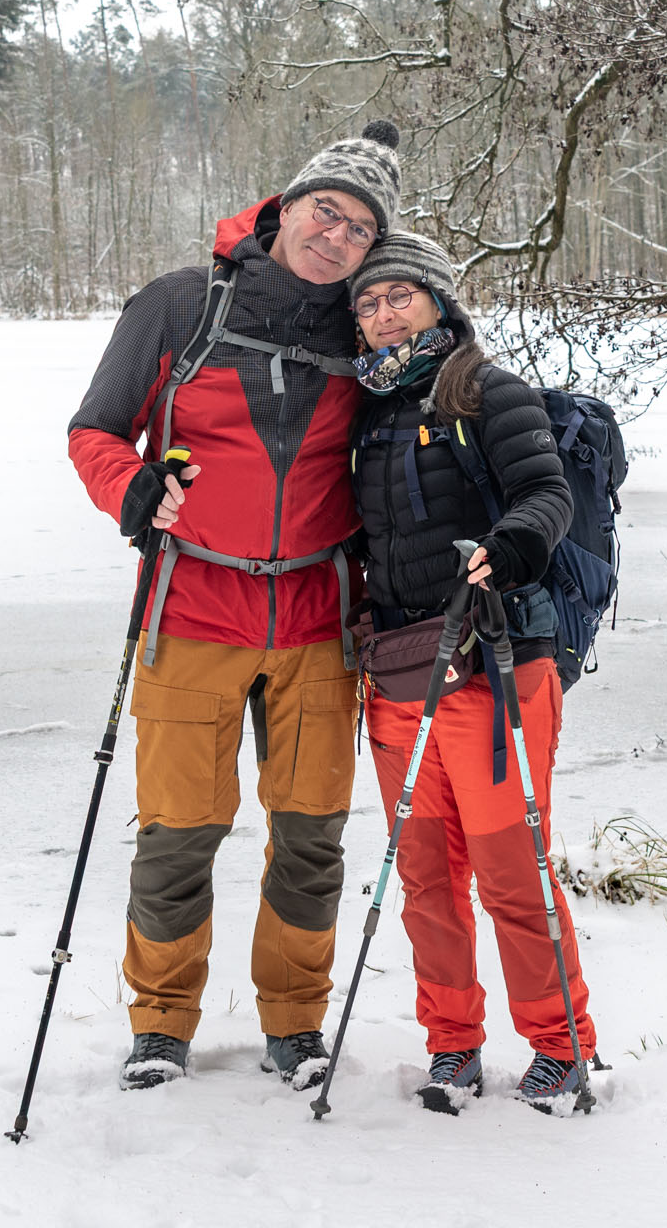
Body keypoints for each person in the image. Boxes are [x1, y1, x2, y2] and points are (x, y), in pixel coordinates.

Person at [64, 122, 401, 1092]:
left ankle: (295, 1025)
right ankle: (160, 1024)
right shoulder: (178, 305)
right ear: (285, 206)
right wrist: (129, 489)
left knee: (311, 836)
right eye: (324, 211)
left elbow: (431, 399)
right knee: (179, 833)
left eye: (358, 229)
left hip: (317, 620)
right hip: (193, 607)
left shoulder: (363, 326)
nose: (334, 237)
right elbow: (96, 431)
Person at [342, 231, 599, 1114]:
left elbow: (547, 492)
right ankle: (451, 1042)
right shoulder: (366, 412)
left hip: (494, 669)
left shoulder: (488, 390)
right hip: (398, 676)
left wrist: (513, 544)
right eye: (368, 304)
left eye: (398, 298)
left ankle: (560, 1045)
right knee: (424, 880)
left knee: (510, 874)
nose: (382, 315)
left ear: (439, 303)